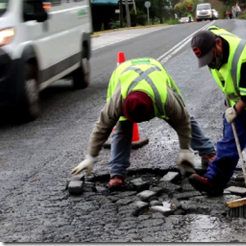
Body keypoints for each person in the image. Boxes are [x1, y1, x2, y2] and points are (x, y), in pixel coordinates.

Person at [71, 58, 216, 189]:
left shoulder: (165, 99)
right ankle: (117, 173)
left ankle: (207, 152)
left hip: (154, 70)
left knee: (186, 118)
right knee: (122, 130)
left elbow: (183, 122)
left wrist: (185, 150)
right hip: (124, 72)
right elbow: (102, 128)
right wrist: (91, 156)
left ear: (152, 110)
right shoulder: (117, 102)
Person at [188, 30, 246, 196]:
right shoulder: (214, 46)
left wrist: (235, 110)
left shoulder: (245, 58)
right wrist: (233, 107)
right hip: (237, 99)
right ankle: (215, 181)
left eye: (211, 56)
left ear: (218, 43)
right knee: (229, 141)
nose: (211, 62)